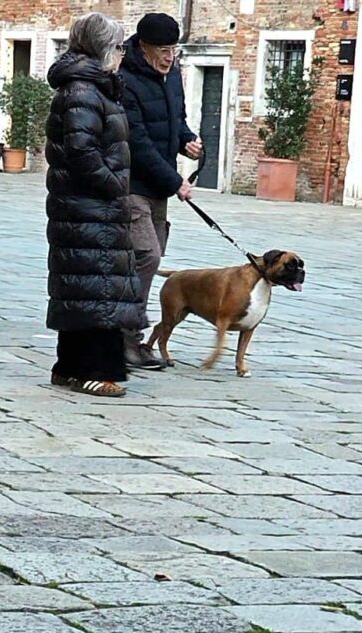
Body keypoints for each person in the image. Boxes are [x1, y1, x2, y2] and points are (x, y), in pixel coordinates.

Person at [45, 12, 143, 398]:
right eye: (118, 46)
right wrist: (114, 184)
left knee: (85, 286)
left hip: (92, 206)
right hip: (87, 205)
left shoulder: (94, 87)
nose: (122, 54)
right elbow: (81, 149)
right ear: (103, 48)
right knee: (97, 288)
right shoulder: (83, 90)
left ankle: (68, 368)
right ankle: (93, 369)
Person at [120, 13, 203, 370]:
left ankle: (124, 334)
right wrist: (176, 181)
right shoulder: (126, 80)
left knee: (146, 258)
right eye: (163, 50)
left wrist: (187, 142)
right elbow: (136, 141)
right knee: (147, 257)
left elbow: (175, 120)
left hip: (158, 190)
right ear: (143, 47)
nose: (170, 57)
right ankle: (127, 339)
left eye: (174, 49)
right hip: (132, 184)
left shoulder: (172, 77)